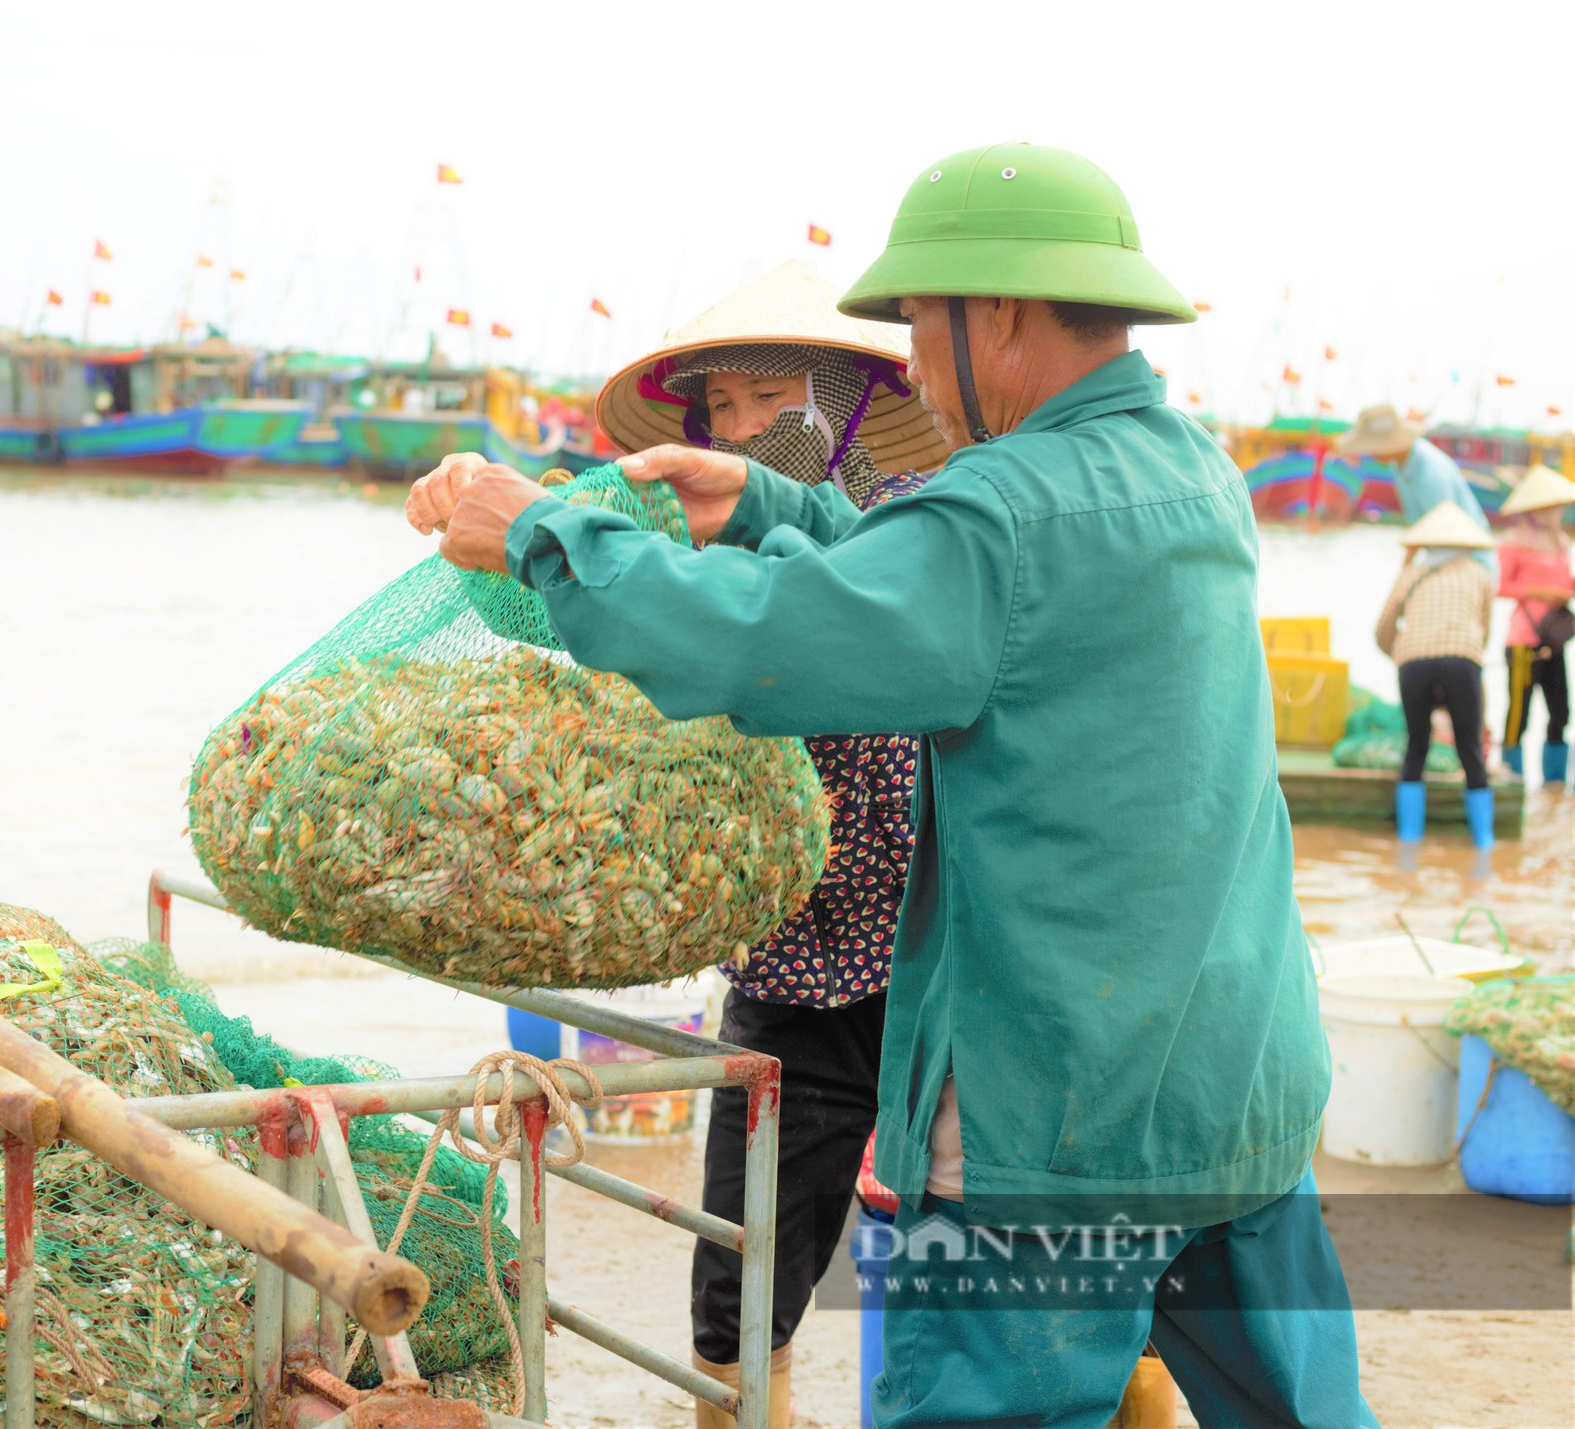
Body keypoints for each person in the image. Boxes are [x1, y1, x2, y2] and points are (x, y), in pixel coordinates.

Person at [410, 142, 1374, 1427]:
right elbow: (965, 599)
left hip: (1053, 1123)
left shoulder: (1001, 512)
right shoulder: (1189, 471)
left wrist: (542, 533)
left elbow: (766, 643)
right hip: (1232, 1093)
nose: (913, 359)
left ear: (1002, 315)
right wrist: (763, 502)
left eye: (920, 322)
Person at [587, 261, 947, 1429]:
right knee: (743, 1273)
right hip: (787, 952)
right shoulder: (703, 553)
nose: (742, 431)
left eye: (768, 402)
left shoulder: (909, 524)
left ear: (838, 403)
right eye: (722, 410)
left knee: (1000, 1250)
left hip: (933, 947)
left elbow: (852, 615)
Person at [1373, 501, 1497, 849]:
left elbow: (1382, 630)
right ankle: (1484, 845)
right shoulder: (1478, 573)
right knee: (1470, 748)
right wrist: (1463, 655)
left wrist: (1403, 653)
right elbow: (1483, 634)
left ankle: (1409, 843)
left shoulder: (1411, 574)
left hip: (1414, 663)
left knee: (1417, 746)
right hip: (1462, 659)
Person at [1337, 404, 1495, 573]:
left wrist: (1410, 576)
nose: (1369, 452)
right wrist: (1405, 571)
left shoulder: (1432, 477)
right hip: (1442, 555)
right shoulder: (1400, 465)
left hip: (1470, 564)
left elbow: (1447, 537)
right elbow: (1420, 529)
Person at [1495, 463, 1575, 785]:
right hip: (1523, 640)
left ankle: (1554, 785)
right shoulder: (1513, 542)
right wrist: (1539, 591)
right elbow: (1499, 587)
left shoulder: (1560, 541)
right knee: (1519, 715)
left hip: (1553, 639)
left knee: (1561, 711)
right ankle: (1511, 779)